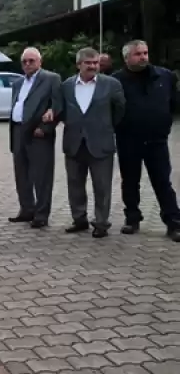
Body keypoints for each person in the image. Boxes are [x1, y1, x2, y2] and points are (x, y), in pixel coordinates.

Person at [49, 47, 125, 239]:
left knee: (102, 186)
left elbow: (120, 111)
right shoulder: (66, 86)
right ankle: (79, 219)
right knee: (75, 185)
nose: (93, 66)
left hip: (101, 143)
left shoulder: (112, 84)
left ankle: (101, 223)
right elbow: (61, 110)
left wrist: (105, 127)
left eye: (95, 63)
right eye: (88, 63)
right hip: (74, 143)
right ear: (78, 65)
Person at [112, 40, 180, 242]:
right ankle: (132, 219)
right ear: (126, 58)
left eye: (145, 53)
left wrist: (165, 123)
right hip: (128, 140)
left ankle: (174, 222)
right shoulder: (116, 80)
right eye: (138, 54)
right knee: (130, 182)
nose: (143, 57)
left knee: (163, 182)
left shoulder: (164, 76)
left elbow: (175, 104)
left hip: (157, 140)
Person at [8, 47, 62, 228]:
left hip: (38, 134)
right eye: (24, 61)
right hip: (18, 131)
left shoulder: (51, 79)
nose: (28, 64)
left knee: (42, 176)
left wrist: (45, 128)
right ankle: (26, 209)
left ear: (40, 61)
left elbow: (57, 106)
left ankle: (41, 214)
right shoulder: (17, 83)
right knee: (21, 174)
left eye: (31, 61)